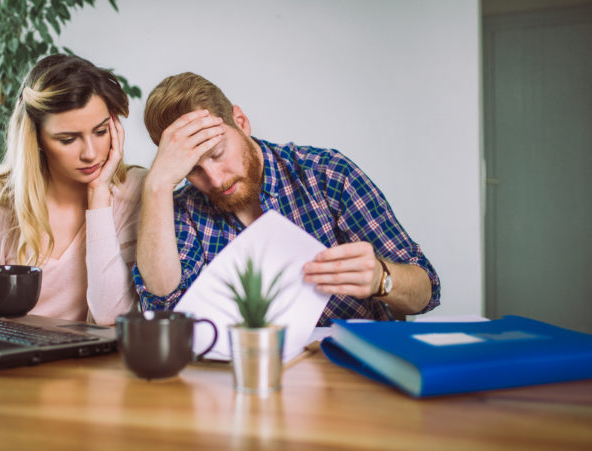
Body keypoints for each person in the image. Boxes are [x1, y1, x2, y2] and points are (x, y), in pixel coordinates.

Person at [133, 72, 439, 325]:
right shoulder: (181, 209)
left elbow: (426, 291)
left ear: (240, 121)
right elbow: (163, 311)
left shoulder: (327, 174)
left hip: (348, 372)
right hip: (238, 375)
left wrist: (381, 279)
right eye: (192, 170)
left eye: (217, 154)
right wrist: (157, 185)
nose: (215, 179)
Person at [0, 54, 146, 325]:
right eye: (68, 139)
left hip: (91, 366)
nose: (90, 153)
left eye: (100, 132)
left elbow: (109, 317)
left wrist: (99, 195)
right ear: (37, 139)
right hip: (8, 363)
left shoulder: (133, 193)